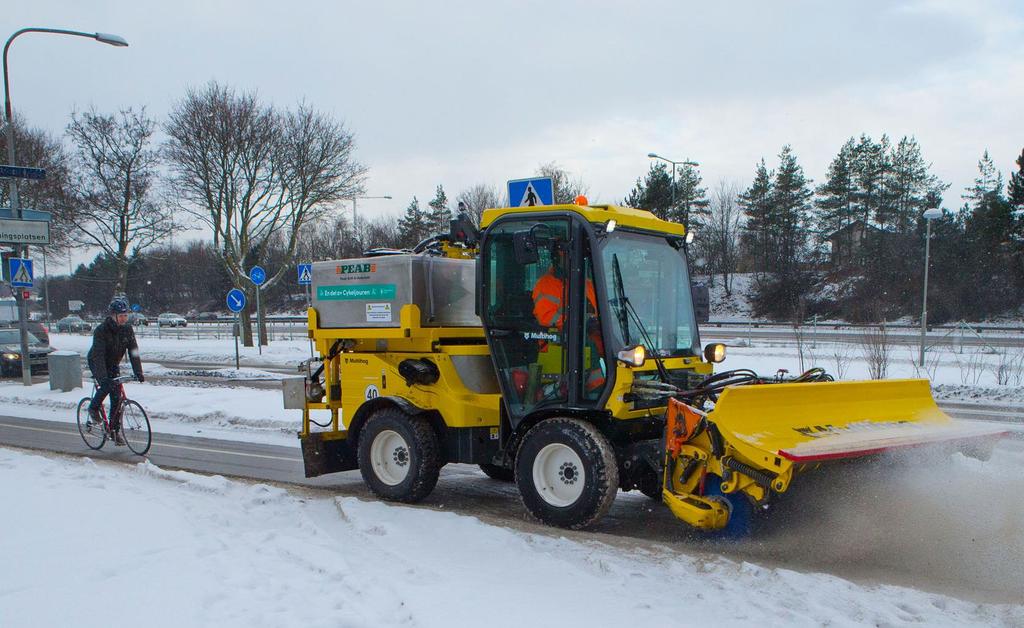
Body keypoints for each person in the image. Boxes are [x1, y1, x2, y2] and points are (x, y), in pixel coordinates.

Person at [531, 242, 606, 395]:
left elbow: (600, 313)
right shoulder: (546, 285)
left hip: (592, 344)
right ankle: (593, 392)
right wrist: (579, 321)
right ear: (556, 258)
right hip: (559, 344)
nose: (569, 261)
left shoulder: (588, 284)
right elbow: (547, 319)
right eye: (565, 256)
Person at [87, 297, 144, 445]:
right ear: (113, 316)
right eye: (121, 316)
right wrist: (103, 377)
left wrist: (138, 371)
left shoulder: (127, 329)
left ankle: (114, 431)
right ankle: (93, 408)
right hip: (97, 362)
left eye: (126, 315)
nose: (124, 319)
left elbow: (134, 352)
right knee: (107, 385)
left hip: (113, 363)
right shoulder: (101, 331)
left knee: (117, 398)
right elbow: (98, 355)